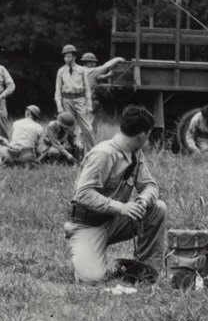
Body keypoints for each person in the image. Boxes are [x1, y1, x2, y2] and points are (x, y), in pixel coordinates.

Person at [64, 104, 166, 283]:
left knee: (157, 208)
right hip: (88, 224)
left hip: (114, 220)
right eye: (149, 134)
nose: (148, 139)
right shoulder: (103, 154)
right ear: (142, 135)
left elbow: (149, 185)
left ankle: (147, 269)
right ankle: (84, 249)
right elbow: (83, 194)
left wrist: (142, 200)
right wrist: (122, 207)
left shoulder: (136, 152)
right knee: (92, 279)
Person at [55, 44, 95, 154]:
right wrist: (59, 105)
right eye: (65, 56)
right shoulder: (61, 71)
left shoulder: (81, 70)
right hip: (66, 100)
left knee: (87, 128)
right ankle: (71, 153)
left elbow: (87, 88)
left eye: (68, 56)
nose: (66, 59)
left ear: (74, 57)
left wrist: (89, 104)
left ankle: (92, 152)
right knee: (68, 128)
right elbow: (57, 89)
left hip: (80, 99)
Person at [82, 51, 127, 140]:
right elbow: (107, 66)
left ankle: (87, 143)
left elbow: (96, 78)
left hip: (82, 102)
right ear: (88, 63)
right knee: (90, 126)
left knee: (87, 125)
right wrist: (118, 59)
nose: (95, 64)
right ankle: (87, 145)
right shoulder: (92, 71)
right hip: (89, 103)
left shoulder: (81, 71)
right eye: (93, 62)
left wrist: (107, 76)